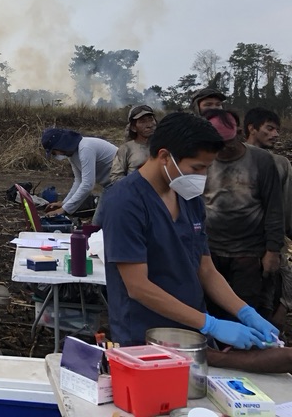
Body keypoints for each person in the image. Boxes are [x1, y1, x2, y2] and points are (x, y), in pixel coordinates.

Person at [100, 112, 291, 371]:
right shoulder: (125, 202)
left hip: (191, 332)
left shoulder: (188, 198)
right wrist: (210, 324)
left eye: (207, 167)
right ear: (165, 156)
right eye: (197, 167)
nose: (203, 175)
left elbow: (206, 269)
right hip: (145, 338)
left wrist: (245, 312)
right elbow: (138, 286)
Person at [202, 108, 284, 324]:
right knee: (211, 311)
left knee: (245, 310)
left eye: (230, 141)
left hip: (248, 253)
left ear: (238, 132)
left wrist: (272, 251)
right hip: (210, 251)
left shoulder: (262, 160)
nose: (225, 148)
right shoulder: (203, 160)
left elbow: (274, 208)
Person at [244, 107, 292, 326]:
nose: (275, 134)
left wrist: (280, 241)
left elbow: (286, 205)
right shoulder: (231, 158)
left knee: (266, 297)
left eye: (277, 130)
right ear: (251, 129)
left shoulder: (281, 164)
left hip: (269, 242)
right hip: (237, 242)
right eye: (269, 128)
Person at [40, 127, 117, 218]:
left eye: (54, 152)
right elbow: (78, 180)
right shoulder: (73, 155)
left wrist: (64, 209)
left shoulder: (85, 149)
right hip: (110, 185)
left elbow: (88, 184)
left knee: (106, 220)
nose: (55, 155)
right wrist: (64, 203)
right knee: (98, 221)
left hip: (122, 182)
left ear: (60, 145)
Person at [109, 105, 157, 184]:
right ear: (133, 128)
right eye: (142, 121)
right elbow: (115, 177)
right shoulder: (126, 149)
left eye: (151, 119)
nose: (149, 125)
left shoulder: (163, 146)